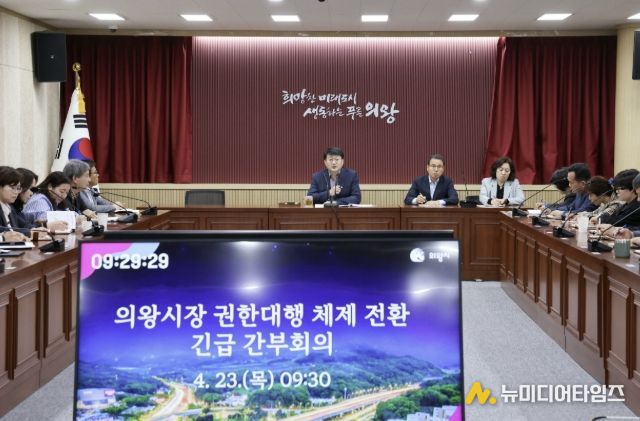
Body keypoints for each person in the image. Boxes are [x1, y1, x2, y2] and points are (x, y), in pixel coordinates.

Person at [0, 166, 30, 241]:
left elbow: (21, 226)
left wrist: (35, 231)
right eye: (12, 187)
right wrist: (30, 232)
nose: (16, 192)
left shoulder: (9, 208)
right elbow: (4, 230)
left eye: (18, 188)